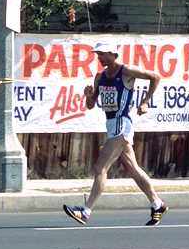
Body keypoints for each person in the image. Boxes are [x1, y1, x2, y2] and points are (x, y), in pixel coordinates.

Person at [63, 42, 168, 226]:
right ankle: (157, 203)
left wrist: (145, 102)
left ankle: (85, 212)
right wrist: (89, 96)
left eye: (102, 54)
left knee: (100, 168)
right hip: (111, 124)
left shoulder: (126, 71)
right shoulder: (100, 77)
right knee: (133, 169)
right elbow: (91, 104)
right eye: (98, 55)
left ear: (113, 54)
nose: (99, 58)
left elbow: (156, 77)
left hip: (122, 123)